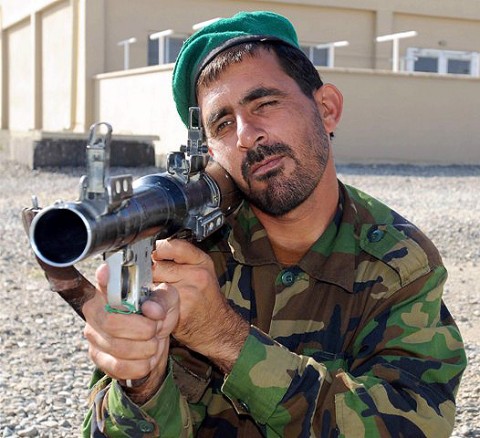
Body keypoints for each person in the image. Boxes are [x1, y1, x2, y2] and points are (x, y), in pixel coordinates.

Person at [81, 11, 466, 437]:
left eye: (265, 103)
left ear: (327, 109)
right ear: (210, 151)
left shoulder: (398, 262)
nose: (247, 134)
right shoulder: (184, 258)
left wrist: (226, 338)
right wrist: (142, 381)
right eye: (223, 123)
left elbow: (412, 425)